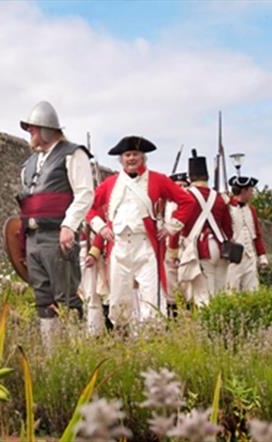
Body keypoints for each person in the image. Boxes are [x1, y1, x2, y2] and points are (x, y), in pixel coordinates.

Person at [86, 136, 196, 328]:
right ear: (121, 159)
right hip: (119, 247)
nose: (131, 158)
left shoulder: (158, 180)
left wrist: (171, 227)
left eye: (135, 154)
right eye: (127, 154)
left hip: (146, 247)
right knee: (118, 300)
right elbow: (89, 207)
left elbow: (187, 202)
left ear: (143, 157)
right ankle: (123, 340)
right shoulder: (110, 183)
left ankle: (150, 340)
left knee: (151, 299)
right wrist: (101, 228)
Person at [18, 101, 94, 346]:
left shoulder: (73, 153)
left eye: (33, 129)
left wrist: (68, 225)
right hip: (33, 238)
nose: (30, 133)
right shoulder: (29, 164)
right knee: (43, 298)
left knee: (67, 298)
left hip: (57, 236)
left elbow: (84, 193)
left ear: (48, 129)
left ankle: (75, 355)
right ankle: (52, 356)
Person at [174, 150, 232, 306]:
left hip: (200, 248)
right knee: (220, 294)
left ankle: (207, 328)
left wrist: (172, 251)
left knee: (203, 295)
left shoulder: (185, 196)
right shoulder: (220, 197)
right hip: (221, 248)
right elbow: (228, 229)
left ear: (191, 177)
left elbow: (176, 225)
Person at [226, 175, 268, 292]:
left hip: (250, 256)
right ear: (244, 191)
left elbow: (257, 235)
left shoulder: (251, 210)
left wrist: (262, 256)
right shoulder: (227, 207)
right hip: (233, 256)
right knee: (231, 290)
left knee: (253, 290)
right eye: (250, 190)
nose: (252, 193)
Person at [164, 171, 190, 313]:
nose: (181, 188)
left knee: (187, 283)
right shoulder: (164, 206)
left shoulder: (190, 204)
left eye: (184, 185)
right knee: (171, 286)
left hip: (186, 247)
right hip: (168, 249)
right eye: (178, 185)